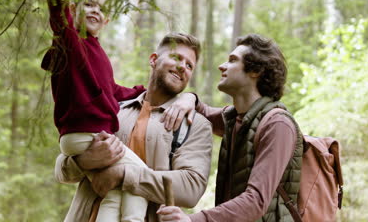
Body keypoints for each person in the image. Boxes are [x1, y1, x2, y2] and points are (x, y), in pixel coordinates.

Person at [54, 33, 213, 222]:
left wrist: (124, 174)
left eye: (189, 65)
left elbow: (191, 187)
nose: (182, 67)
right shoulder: (114, 109)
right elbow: (61, 170)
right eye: (176, 57)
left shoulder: (195, 124)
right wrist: (84, 161)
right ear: (153, 60)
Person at [157, 34, 304, 222]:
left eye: (232, 60)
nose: (221, 66)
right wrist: (189, 97)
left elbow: (256, 201)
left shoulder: (278, 125)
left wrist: (192, 220)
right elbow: (202, 110)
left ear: (255, 71)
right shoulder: (234, 119)